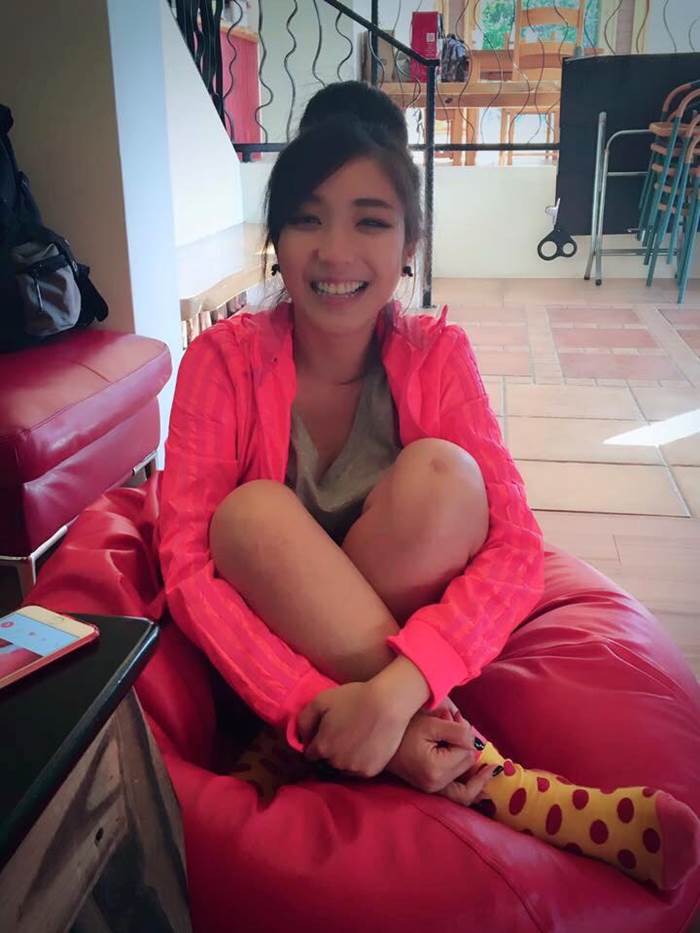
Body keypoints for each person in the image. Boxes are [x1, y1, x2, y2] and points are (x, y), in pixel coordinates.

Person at [159, 81, 699, 893]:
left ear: (410, 240)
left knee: (449, 477)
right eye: (307, 218)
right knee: (249, 516)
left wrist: (395, 693)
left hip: (401, 662)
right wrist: (307, 696)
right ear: (275, 236)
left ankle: (343, 739)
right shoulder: (221, 361)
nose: (335, 252)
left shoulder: (437, 355)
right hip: (273, 646)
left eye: (370, 221)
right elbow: (186, 565)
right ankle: (494, 780)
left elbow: (515, 545)